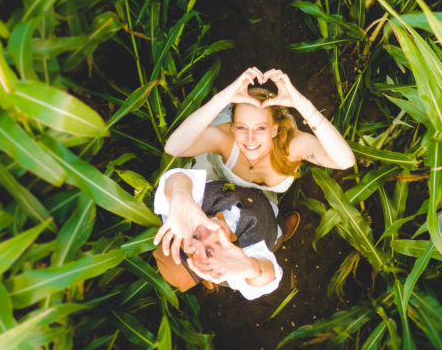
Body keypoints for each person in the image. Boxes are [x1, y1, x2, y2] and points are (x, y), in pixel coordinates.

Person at [163, 68, 355, 206]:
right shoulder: (225, 138)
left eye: (260, 128)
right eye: (241, 127)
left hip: (262, 201)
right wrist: (222, 99)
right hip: (219, 184)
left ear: (274, 130)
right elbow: (173, 148)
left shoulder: (291, 145)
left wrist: (303, 105)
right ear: (232, 126)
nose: (250, 138)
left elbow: (345, 161)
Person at [152, 167, 284, 299]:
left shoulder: (180, 213)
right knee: (277, 232)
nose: (210, 235)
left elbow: (175, 178)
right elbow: (265, 280)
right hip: (269, 216)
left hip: (233, 178)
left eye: (195, 236)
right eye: (209, 252)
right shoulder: (231, 266)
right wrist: (253, 268)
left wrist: (181, 194)